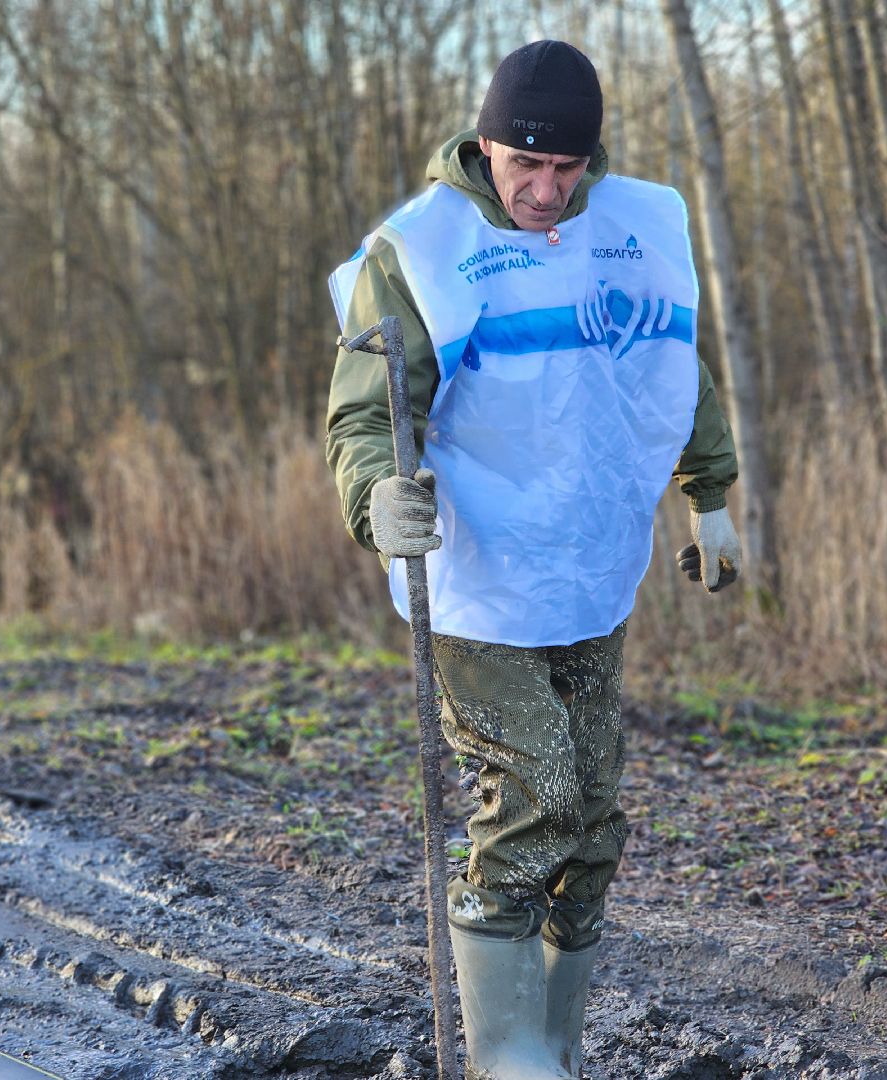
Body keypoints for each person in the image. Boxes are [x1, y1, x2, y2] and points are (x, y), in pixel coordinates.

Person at [325, 39, 743, 1080]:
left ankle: (555, 1047)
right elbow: (367, 414)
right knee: (537, 794)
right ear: (485, 143)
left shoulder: (631, 230)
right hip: (480, 579)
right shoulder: (419, 252)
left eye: (568, 170)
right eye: (526, 166)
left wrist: (713, 497)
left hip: (593, 568)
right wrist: (377, 498)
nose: (547, 192)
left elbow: (671, 363)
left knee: (594, 817)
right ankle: (507, 1055)